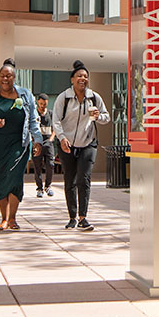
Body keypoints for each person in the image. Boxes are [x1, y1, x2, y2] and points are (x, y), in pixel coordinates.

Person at [0, 58, 42, 231]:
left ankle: (12, 218)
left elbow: (33, 121)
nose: (5, 79)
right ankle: (4, 219)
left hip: (19, 144)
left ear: (15, 77)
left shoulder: (25, 95)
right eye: (2, 76)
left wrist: (37, 140)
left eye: (8, 76)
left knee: (14, 178)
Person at [53, 60, 110, 231]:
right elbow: (56, 121)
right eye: (79, 76)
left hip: (88, 143)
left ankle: (83, 218)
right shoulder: (64, 98)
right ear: (72, 79)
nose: (82, 79)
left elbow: (106, 118)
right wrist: (62, 138)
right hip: (67, 144)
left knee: (84, 179)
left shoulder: (94, 97)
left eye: (85, 77)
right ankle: (72, 217)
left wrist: (99, 116)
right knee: (70, 179)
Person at [32, 93, 56, 198]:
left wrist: (51, 139)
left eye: (45, 104)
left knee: (50, 164)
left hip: (48, 141)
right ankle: (39, 188)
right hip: (37, 142)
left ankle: (48, 186)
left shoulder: (51, 114)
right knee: (37, 166)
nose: (42, 106)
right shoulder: (34, 114)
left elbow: (55, 128)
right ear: (38, 102)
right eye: (41, 104)